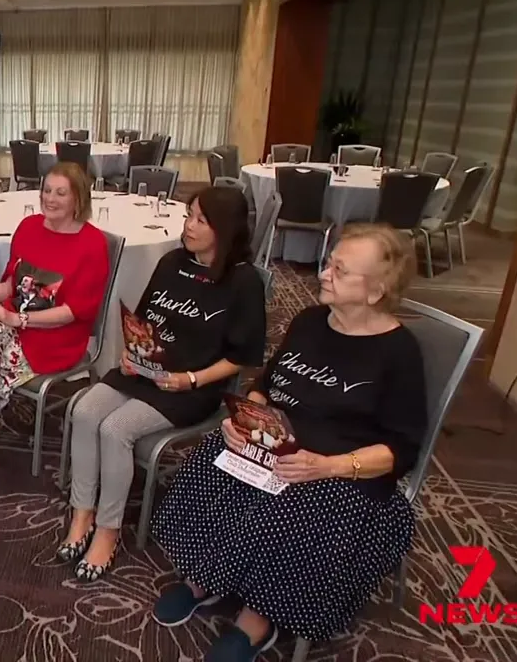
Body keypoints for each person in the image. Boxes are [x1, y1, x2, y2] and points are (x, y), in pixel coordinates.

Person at [149, 224, 428, 662]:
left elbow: (402, 451)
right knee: (215, 460)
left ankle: (258, 619)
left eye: (341, 269)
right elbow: (268, 383)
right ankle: (203, 578)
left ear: (376, 292)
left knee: (292, 510)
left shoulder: (399, 353)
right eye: (328, 261)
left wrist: (329, 465)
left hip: (344, 472)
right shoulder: (311, 321)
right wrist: (245, 416)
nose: (324, 273)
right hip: (279, 442)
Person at [59, 186, 267, 582]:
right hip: (146, 369)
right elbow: (143, 321)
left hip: (192, 386)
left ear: (225, 229)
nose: (188, 226)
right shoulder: (173, 262)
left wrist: (190, 379)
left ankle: (108, 529)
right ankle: (82, 511)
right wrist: (129, 352)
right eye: (188, 215)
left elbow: (243, 358)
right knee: (84, 411)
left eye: (200, 220)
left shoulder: (244, 283)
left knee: (116, 429)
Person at [0, 161, 109, 485]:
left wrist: (17, 318)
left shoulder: (91, 243)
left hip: (56, 338)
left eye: (60, 193)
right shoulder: (28, 227)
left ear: (78, 199)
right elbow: (11, 288)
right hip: (12, 325)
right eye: (46, 190)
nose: (50, 199)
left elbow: (74, 312)